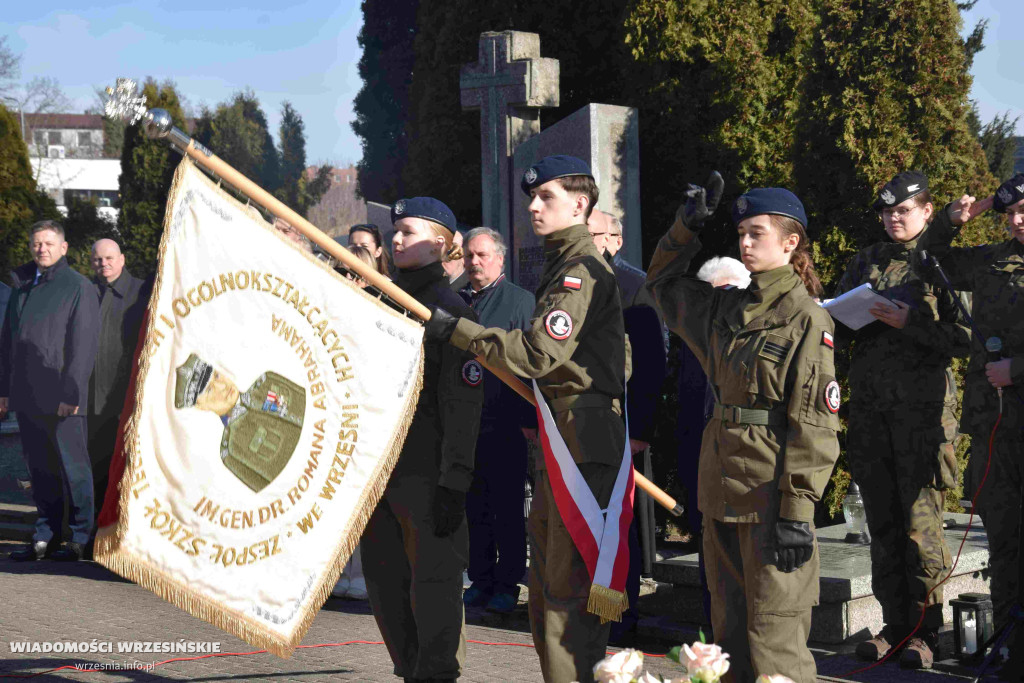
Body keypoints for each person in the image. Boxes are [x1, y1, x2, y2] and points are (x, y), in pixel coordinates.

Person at [426, 155, 629, 683]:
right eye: (531, 199)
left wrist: (463, 332)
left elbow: (539, 354)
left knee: (567, 590)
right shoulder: (564, 264)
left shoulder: (581, 270)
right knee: (549, 587)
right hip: (565, 436)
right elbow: (616, 355)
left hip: (582, 442)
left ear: (580, 205)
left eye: (547, 198)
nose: (534, 207)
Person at [647, 178, 841, 683]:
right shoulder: (725, 308)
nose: (745, 243)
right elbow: (662, 285)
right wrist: (684, 228)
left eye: (757, 232)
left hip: (771, 498)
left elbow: (815, 423)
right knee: (727, 636)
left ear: (790, 241)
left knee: (774, 638)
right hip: (722, 489)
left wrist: (799, 509)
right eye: (740, 233)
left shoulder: (806, 317)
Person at [833, 171, 970, 668]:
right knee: (883, 524)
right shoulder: (866, 261)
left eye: (904, 210)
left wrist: (910, 322)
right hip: (871, 411)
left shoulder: (944, 263)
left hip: (922, 414)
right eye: (888, 212)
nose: (894, 219)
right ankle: (894, 626)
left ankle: (926, 632)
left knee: (920, 526)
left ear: (928, 212)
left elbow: (966, 338)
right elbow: (837, 325)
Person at [360, 196, 483, 681]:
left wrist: (455, 478)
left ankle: (435, 675)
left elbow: (462, 403)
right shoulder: (380, 301)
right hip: (377, 470)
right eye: (395, 230)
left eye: (409, 232)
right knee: (385, 584)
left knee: (433, 588)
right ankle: (409, 671)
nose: (396, 238)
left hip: (426, 473)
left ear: (440, 243)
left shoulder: (451, 311)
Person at [913, 173, 1024, 678]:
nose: (1016, 221)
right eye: (1009, 213)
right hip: (996, 427)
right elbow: (931, 268)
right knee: (1003, 542)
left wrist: (1018, 369)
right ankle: (1009, 647)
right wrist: (953, 223)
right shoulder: (994, 258)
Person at [586, 208, 667, 645]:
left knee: (617, 527)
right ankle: (591, 609)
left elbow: (652, 364)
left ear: (615, 240)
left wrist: (641, 432)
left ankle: (617, 614)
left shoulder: (634, 287)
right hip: (576, 429)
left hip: (622, 426)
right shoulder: (568, 279)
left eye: (593, 234)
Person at [0, 220, 100, 562]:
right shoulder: (23, 289)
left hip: (63, 400)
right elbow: (7, 344)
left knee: (73, 470)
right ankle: (46, 535)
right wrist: (4, 390)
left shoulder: (79, 287)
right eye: (36, 243)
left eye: (48, 243)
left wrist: (71, 394)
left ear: (63, 248)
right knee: (40, 472)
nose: (41, 248)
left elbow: (82, 346)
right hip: (27, 398)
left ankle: (80, 536)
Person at [456, 226, 536, 615]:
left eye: (482, 255)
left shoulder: (520, 302)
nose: (474, 262)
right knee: (475, 509)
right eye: (469, 255)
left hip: (507, 424)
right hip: (467, 423)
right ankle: (481, 578)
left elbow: (533, 365)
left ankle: (508, 583)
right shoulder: (456, 301)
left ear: (500, 259)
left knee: (507, 508)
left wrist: (528, 420)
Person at [676, 256, 751, 630]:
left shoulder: (753, 336)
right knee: (711, 554)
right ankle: (714, 629)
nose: (720, 301)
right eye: (712, 295)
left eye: (728, 292)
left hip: (745, 465)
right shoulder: (696, 338)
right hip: (703, 458)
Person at [174, 353, 305, 493]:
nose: (222, 386)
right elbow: (270, 492)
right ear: (201, 407)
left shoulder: (267, 382)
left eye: (217, 376)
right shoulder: (232, 449)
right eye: (209, 390)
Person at [88, 238, 150, 521]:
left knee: (130, 468)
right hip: (92, 400)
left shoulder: (143, 292)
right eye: (99, 259)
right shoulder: (85, 292)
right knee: (96, 468)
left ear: (122, 259)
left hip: (128, 396)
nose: (105, 264)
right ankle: (94, 532)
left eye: (110, 258)